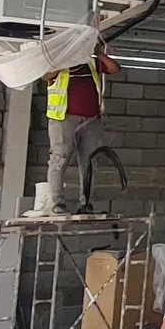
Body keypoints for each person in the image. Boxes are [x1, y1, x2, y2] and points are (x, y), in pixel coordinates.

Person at [43, 47, 120, 212]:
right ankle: (58, 203)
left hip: (92, 120)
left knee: (90, 163)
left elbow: (114, 68)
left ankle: (86, 204)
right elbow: (46, 76)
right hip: (63, 118)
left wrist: (97, 52)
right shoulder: (59, 63)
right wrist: (66, 58)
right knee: (59, 160)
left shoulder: (91, 63)